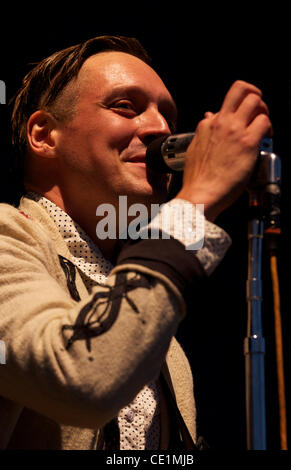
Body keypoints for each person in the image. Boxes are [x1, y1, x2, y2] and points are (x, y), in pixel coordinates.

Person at [0, 35, 272, 450]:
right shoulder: (7, 235)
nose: (161, 129)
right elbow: (83, 376)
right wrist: (197, 202)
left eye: (166, 114)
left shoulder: (164, 345)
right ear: (44, 135)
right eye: (125, 106)